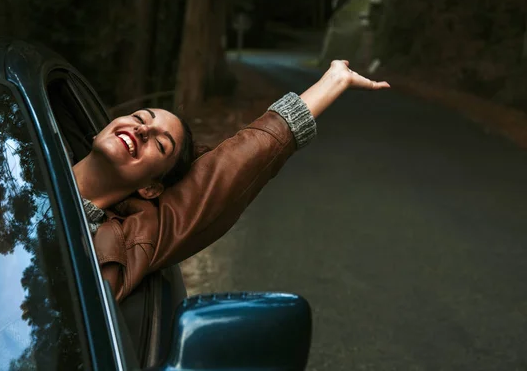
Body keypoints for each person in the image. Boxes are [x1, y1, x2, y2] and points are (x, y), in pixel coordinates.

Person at [74, 60, 390, 302]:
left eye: (160, 144)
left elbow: (230, 167)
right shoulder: (31, 146)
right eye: (141, 118)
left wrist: (334, 79)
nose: (143, 129)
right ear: (101, 130)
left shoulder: (134, 238)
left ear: (151, 188)